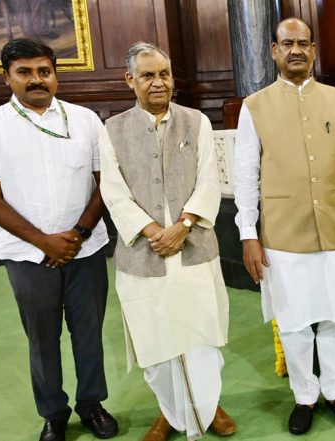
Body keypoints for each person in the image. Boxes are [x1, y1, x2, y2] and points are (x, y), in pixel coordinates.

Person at [0, 38, 117, 441]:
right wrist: (43, 242)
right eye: (24, 72)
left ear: (55, 74)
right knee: (42, 337)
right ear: (7, 78)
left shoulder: (86, 120)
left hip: (86, 248)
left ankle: (92, 405)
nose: (36, 80)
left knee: (89, 332)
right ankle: (53, 413)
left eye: (44, 71)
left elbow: (106, 184)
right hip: (26, 255)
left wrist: (79, 233)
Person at [234, 18, 335, 435]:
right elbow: (245, 177)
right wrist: (248, 236)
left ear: (313, 51)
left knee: (334, 317)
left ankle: (334, 390)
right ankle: (304, 396)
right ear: (273, 51)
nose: (296, 50)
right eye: (287, 44)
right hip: (282, 234)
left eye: (303, 44)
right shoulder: (253, 106)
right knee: (293, 322)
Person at [99, 42, 235, 440]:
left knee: (201, 333)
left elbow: (211, 178)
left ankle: (208, 407)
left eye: (164, 74)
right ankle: (169, 413)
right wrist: (152, 231)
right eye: (147, 75)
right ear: (130, 80)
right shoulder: (112, 129)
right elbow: (113, 190)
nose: (158, 83)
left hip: (192, 245)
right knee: (154, 337)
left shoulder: (196, 122)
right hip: (143, 251)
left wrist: (184, 224)